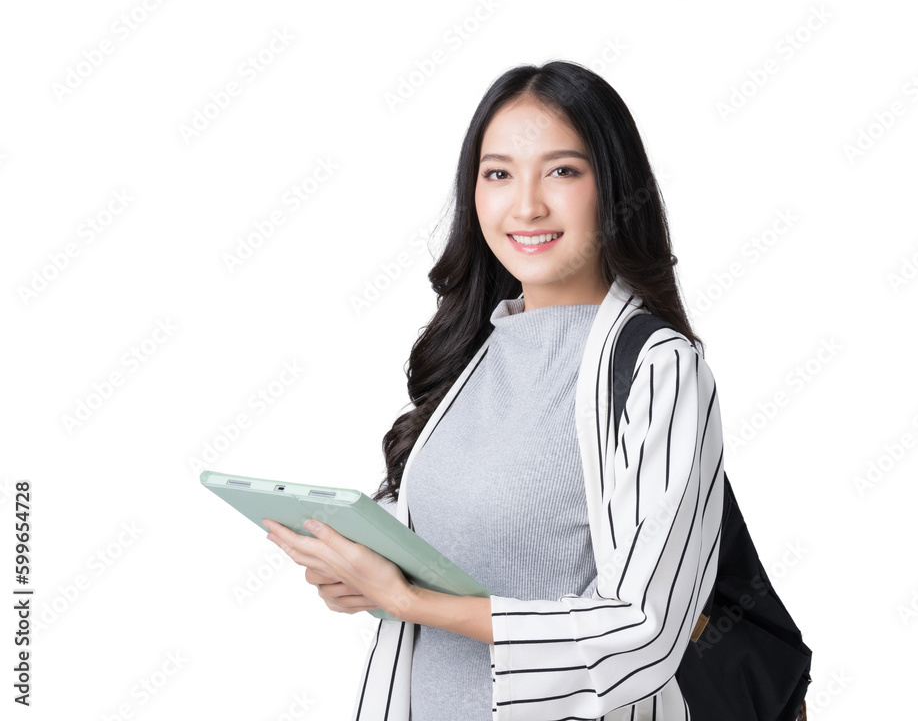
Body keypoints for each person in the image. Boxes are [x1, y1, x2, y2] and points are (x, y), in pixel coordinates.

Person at [263, 60, 726, 720]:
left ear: (616, 187)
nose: (527, 204)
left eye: (563, 171)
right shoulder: (469, 357)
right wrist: (365, 579)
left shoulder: (657, 370)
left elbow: (644, 633)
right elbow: (456, 560)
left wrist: (409, 601)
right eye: (498, 173)